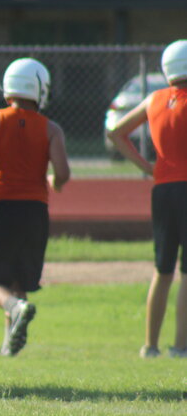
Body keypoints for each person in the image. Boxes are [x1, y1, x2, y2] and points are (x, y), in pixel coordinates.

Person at [0, 57, 70, 357]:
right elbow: (62, 174)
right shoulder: (51, 128)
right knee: (18, 279)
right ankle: (9, 343)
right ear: (40, 89)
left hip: (2, 208)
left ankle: (14, 307)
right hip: (35, 211)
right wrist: (56, 182)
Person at [108, 40, 187, 359]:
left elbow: (115, 132)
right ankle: (181, 346)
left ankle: (150, 346)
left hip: (163, 189)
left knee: (162, 269)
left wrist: (146, 166)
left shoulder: (154, 99)